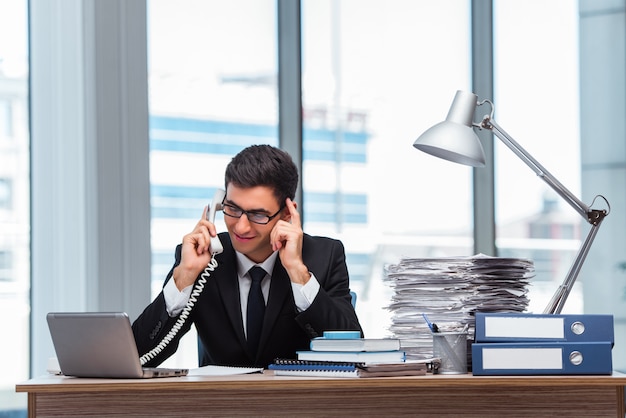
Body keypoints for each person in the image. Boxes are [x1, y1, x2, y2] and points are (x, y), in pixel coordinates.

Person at [132, 144, 363, 368]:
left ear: (286, 214)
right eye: (232, 209)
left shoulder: (324, 256)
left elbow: (353, 352)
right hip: (222, 403)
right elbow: (138, 356)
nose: (241, 227)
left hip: (298, 403)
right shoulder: (199, 257)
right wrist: (184, 277)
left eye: (257, 214)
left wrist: (297, 272)